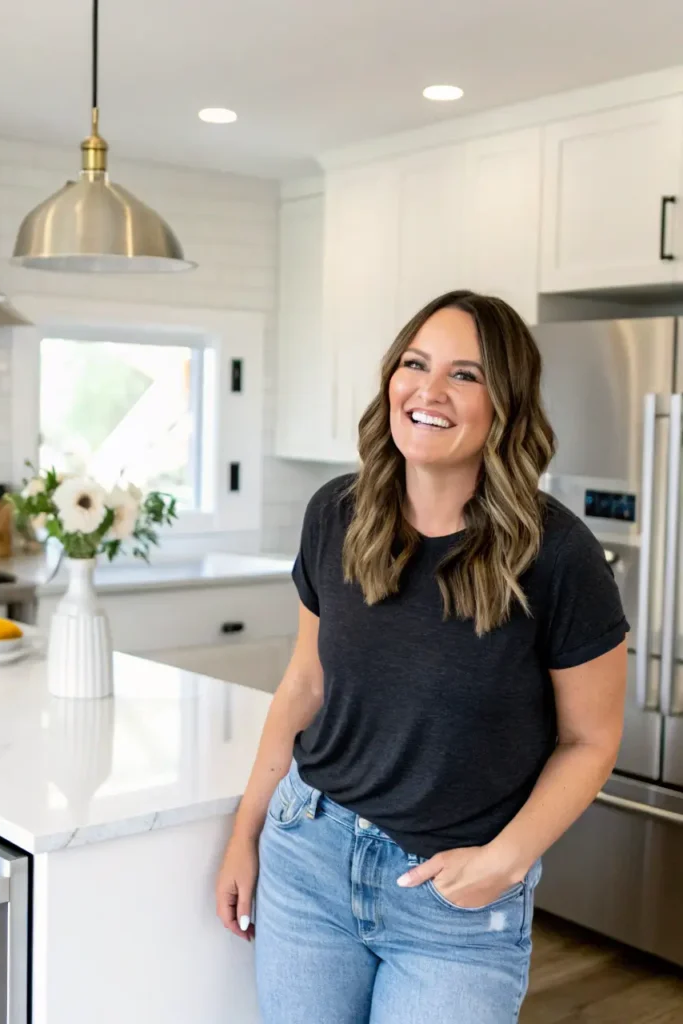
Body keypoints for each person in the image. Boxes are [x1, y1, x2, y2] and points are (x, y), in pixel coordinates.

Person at [216, 290, 628, 1023]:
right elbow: (305, 684)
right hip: (308, 859)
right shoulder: (334, 515)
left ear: (505, 402)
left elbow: (590, 740)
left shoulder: (558, 554)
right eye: (415, 364)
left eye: (464, 375)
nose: (428, 391)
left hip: (452, 905)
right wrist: (246, 832)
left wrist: (501, 865)